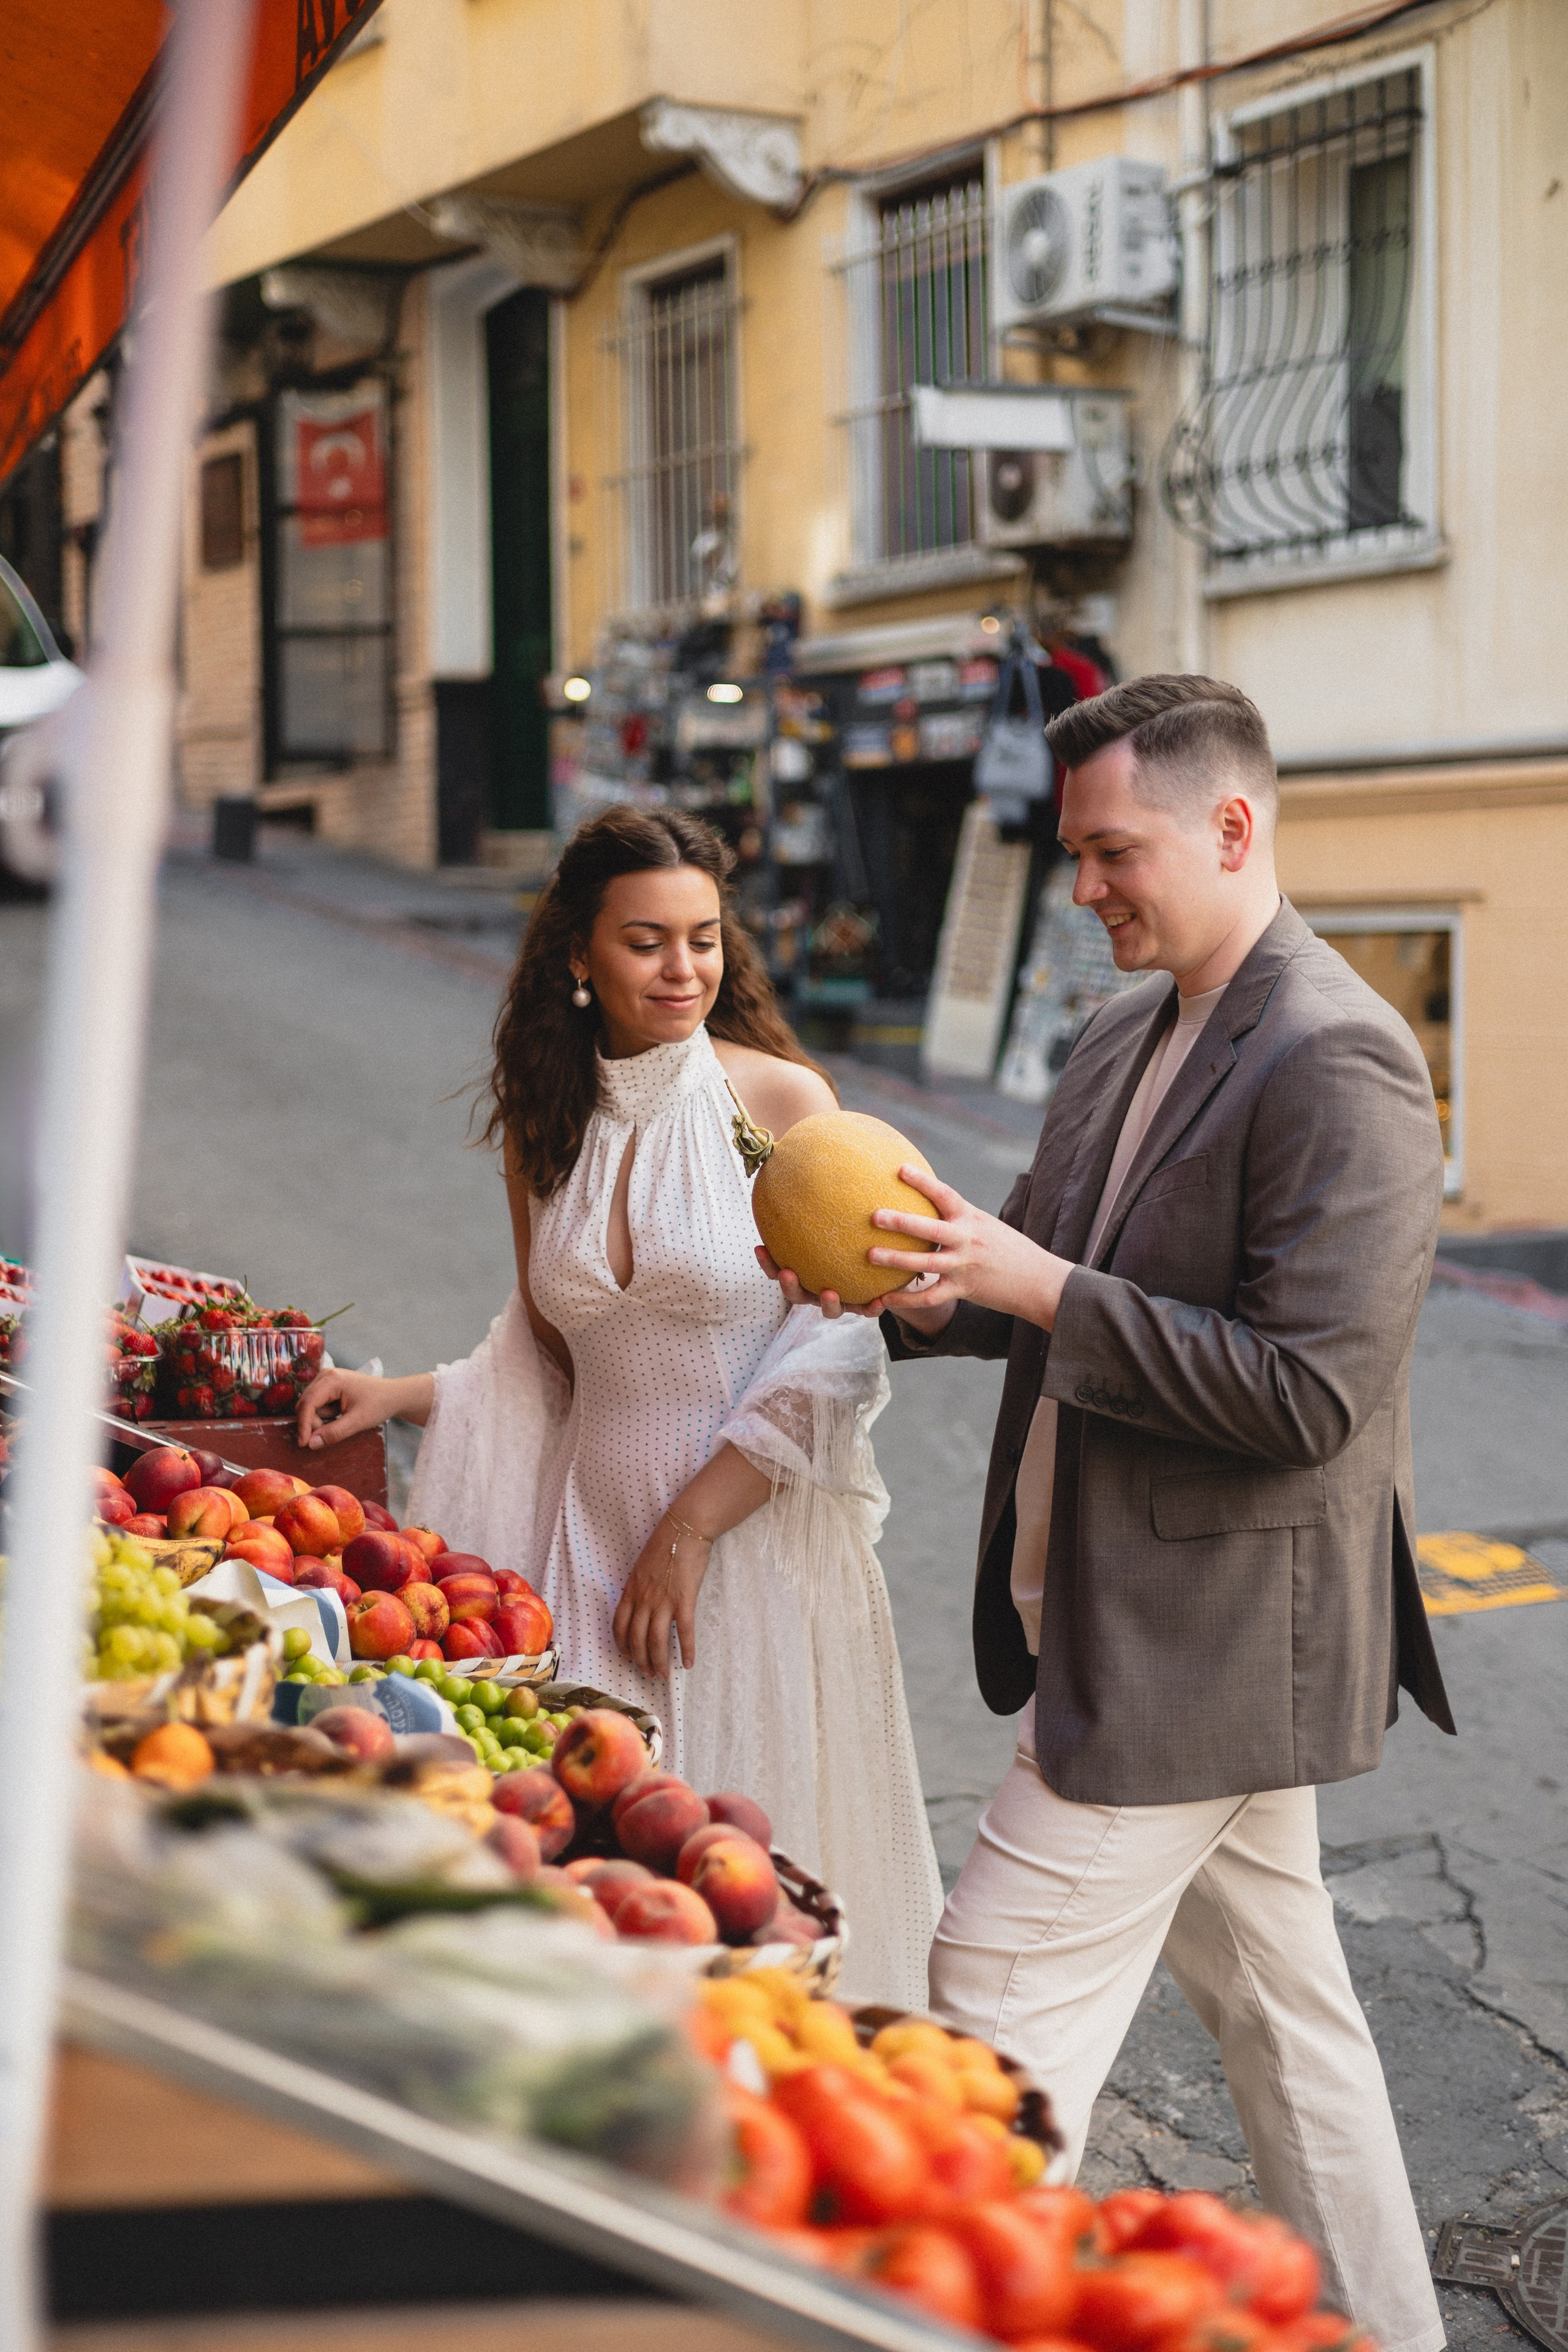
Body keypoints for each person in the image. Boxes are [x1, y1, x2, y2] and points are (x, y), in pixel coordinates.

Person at [767, 676, 1452, 2351]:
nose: (1084, 892)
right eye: (1071, 855)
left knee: (981, 2018)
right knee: (1292, 2028)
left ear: (1232, 828)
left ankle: (940, 2313)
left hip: (1205, 1648)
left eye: (1111, 853)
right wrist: (919, 1282)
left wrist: (1045, 1285)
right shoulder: (1113, 1034)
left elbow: (1309, 1394)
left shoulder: (1344, 1053)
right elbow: (1033, 1275)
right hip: (1118, 1611)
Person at [297, 805, 942, 2008]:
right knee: (610, 1882)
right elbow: (545, 1355)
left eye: (702, 939)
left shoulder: (779, 1105)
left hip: (742, 1560)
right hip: (588, 1555)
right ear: (577, 958)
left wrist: (689, 1530)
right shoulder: (546, 1123)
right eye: (646, 941)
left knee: (745, 1880)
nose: (682, 969)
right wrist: (394, 1393)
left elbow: (839, 1348)